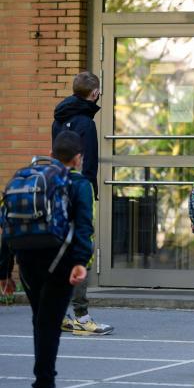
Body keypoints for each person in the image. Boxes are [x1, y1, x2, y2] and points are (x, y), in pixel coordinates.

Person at [0, 131, 95, 388]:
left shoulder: (27, 178)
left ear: (52, 155)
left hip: (27, 257)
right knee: (49, 322)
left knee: (40, 318)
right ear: (78, 158)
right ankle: (44, 381)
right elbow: (84, 227)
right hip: (60, 260)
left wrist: (4, 270)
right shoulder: (80, 184)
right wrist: (80, 261)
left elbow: (7, 223)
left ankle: (43, 377)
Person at [52, 71, 113, 336]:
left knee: (61, 250)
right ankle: (82, 316)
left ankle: (60, 312)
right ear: (95, 93)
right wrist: (88, 191)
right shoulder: (86, 123)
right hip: (79, 189)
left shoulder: (59, 118)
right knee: (81, 250)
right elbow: (88, 163)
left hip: (57, 185)